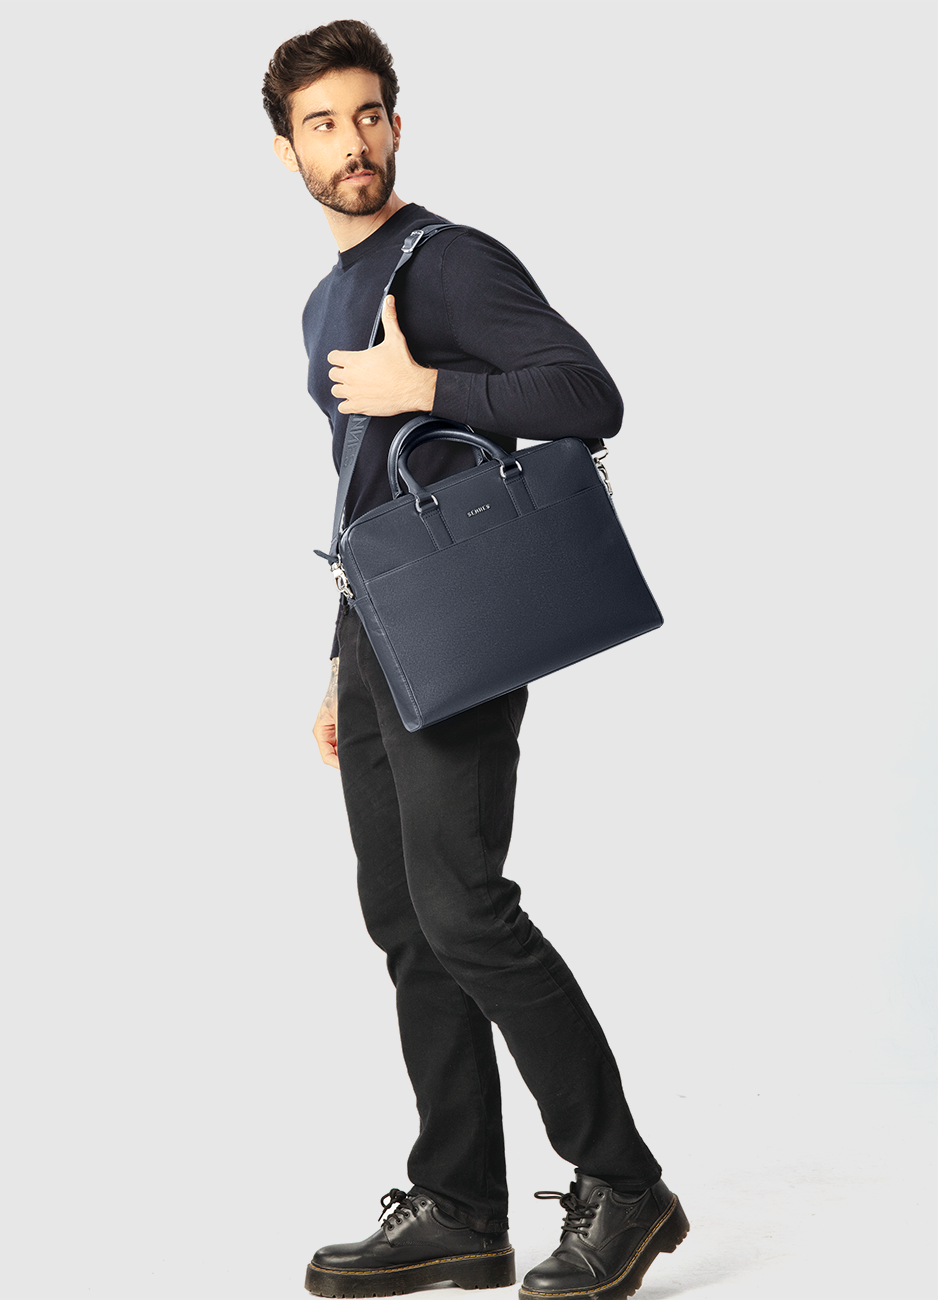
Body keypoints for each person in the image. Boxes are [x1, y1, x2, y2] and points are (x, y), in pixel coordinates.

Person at [263, 20, 688, 1300]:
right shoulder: (326, 298)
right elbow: (362, 484)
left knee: (463, 907)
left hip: (459, 623)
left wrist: (429, 388)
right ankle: (458, 1204)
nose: (352, 142)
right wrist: (337, 656)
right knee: (403, 920)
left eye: (368, 114)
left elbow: (586, 395)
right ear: (285, 150)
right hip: (378, 627)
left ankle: (624, 1183)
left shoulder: (445, 263)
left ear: (397, 123)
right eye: (323, 123)